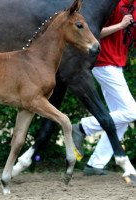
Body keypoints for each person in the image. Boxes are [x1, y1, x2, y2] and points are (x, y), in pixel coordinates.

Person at [73, 0, 136, 175]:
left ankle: (95, 165)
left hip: (116, 64)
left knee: (122, 118)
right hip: (103, 63)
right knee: (132, 111)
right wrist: (120, 25)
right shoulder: (111, 5)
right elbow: (92, 33)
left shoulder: (134, 6)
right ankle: (82, 127)